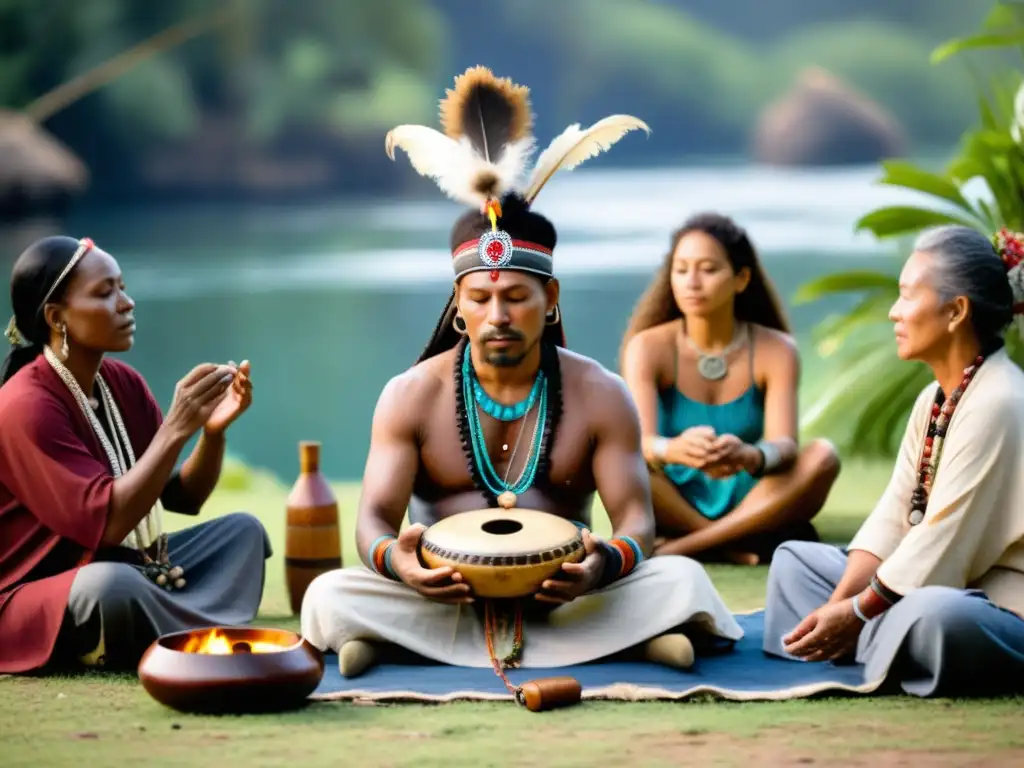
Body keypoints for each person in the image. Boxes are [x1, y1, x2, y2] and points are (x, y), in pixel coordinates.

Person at [301, 66, 743, 680]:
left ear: (551, 298)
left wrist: (604, 565)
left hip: (569, 598)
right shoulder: (410, 395)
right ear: (458, 304)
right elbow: (374, 520)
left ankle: (395, 648)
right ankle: (632, 644)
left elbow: (638, 520)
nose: (497, 315)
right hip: (444, 595)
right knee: (330, 593)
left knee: (682, 579)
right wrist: (396, 563)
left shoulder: (599, 394)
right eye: (480, 298)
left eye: (517, 297)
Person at [763, 225, 1024, 697]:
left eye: (907, 296)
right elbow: (894, 517)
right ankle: (861, 640)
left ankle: (864, 639)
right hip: (931, 581)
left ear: (955, 311)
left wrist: (859, 613)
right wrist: (840, 604)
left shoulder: (1000, 399)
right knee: (794, 562)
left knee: (937, 618)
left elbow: (943, 539)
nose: (893, 311)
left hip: (1001, 605)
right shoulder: (934, 398)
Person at [0, 236, 272, 674]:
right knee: (112, 586)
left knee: (243, 533)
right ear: (57, 317)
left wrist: (212, 434)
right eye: (105, 293)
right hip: (38, 595)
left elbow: (181, 497)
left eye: (122, 288)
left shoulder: (120, 383)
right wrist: (177, 426)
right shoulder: (26, 405)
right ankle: (182, 629)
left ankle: (153, 632)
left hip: (133, 565)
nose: (127, 303)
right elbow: (107, 526)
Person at [620, 213, 840, 565]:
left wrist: (751, 456)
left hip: (751, 492)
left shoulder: (776, 349)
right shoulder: (647, 348)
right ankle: (729, 542)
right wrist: (672, 449)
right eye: (681, 270)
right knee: (621, 460)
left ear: (741, 279)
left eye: (708, 269)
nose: (692, 282)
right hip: (674, 494)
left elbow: (785, 444)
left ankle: (686, 546)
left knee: (823, 456)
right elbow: (640, 441)